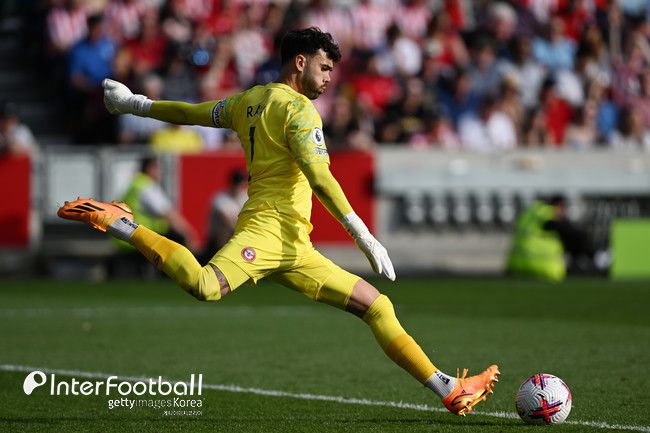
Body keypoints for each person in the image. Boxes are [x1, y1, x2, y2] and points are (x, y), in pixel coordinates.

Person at [57, 28, 498, 416]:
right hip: (266, 232)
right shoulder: (300, 111)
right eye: (324, 68)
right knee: (205, 285)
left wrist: (136, 104)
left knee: (378, 306)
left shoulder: (248, 101)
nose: (329, 79)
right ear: (300, 62)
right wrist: (362, 233)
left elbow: (192, 113)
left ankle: (448, 388)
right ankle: (123, 224)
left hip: (296, 246)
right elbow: (320, 177)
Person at [507, 195, 594, 281]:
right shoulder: (547, 213)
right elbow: (567, 230)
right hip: (545, 269)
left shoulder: (530, 213)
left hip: (517, 267)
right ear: (560, 205)